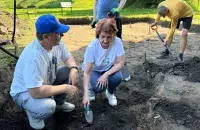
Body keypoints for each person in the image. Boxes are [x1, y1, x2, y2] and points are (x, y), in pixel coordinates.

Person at [10, 14, 79, 129]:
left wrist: (73, 68)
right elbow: (35, 92)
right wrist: (66, 88)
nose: (62, 35)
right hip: (25, 92)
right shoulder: (33, 57)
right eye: (58, 33)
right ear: (47, 37)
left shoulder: (57, 42)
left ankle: (59, 103)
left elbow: (67, 58)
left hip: (43, 82)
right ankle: (34, 113)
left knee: (67, 71)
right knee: (48, 106)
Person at [82, 18, 125, 107]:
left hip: (107, 68)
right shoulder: (92, 46)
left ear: (113, 34)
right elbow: (86, 73)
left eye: (109, 37)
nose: (105, 40)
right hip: (93, 70)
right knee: (98, 87)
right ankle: (90, 89)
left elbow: (120, 63)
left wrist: (106, 75)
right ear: (98, 35)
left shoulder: (117, 42)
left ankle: (110, 93)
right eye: (103, 37)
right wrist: (85, 93)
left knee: (117, 77)